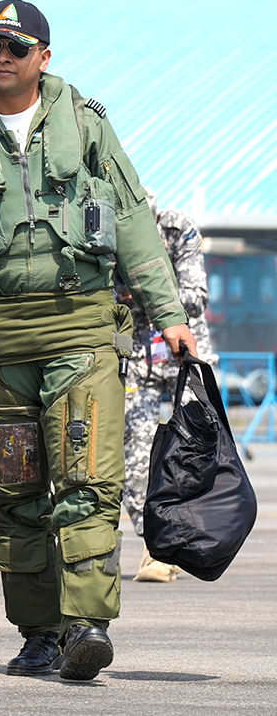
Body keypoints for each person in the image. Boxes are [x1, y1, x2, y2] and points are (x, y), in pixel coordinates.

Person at [0, 0, 198, 681]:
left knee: (86, 480)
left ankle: (87, 624)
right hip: (2, 338)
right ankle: (38, 634)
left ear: (43, 57)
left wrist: (169, 310)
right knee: (17, 488)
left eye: (15, 46)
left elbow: (132, 217)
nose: (1, 57)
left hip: (82, 329)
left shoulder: (87, 124)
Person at [119, 190, 215, 582]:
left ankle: (195, 542)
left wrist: (144, 293)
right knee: (136, 460)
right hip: (138, 362)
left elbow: (196, 298)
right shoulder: (108, 238)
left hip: (184, 358)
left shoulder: (179, 231)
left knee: (193, 457)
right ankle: (156, 548)